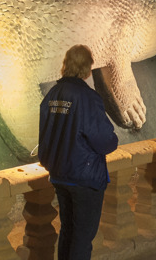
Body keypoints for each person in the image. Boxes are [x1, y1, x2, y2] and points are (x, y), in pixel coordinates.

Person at [38, 44, 119, 260]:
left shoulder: (53, 95)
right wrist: (113, 139)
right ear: (87, 68)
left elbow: (46, 135)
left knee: (68, 232)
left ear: (66, 65)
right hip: (84, 177)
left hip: (60, 175)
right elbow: (103, 141)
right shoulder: (87, 97)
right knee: (82, 238)